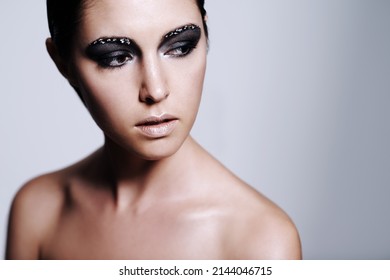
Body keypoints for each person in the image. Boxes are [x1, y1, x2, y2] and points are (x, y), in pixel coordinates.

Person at [6, 0, 301, 260]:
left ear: (205, 34)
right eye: (116, 57)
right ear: (62, 62)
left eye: (180, 47)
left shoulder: (261, 242)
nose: (156, 90)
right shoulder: (37, 212)